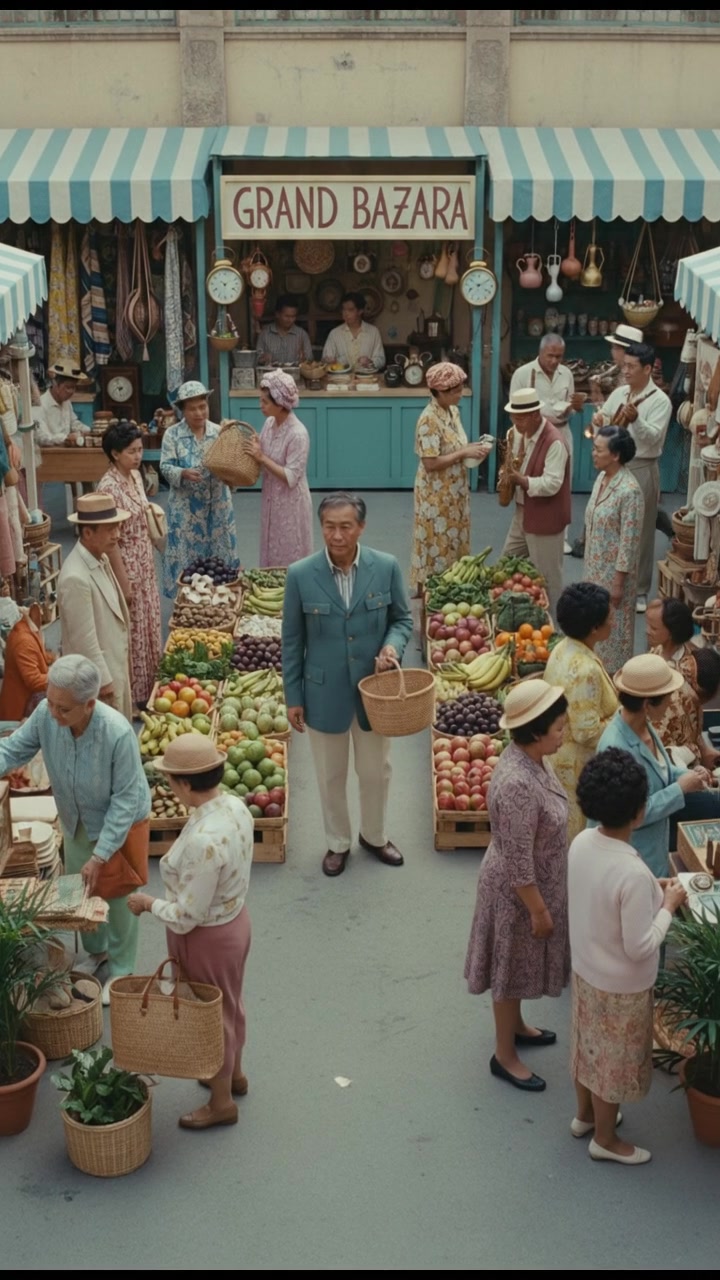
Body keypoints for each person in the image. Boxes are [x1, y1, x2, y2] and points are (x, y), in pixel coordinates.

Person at [0, 655, 150, 1002]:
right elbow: (14, 749)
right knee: (82, 889)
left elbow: (125, 801)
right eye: (50, 702)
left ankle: (122, 967)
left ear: (90, 704)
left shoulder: (117, 733)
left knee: (119, 894)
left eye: (63, 709)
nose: (53, 713)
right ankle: (96, 951)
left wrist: (101, 855)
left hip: (121, 822)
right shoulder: (46, 714)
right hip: (75, 816)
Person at [282, 492, 412, 877]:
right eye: (329, 526)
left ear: (361, 527)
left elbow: (402, 620)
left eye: (345, 526)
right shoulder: (300, 575)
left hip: (375, 694)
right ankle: (337, 842)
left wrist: (392, 647)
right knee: (330, 775)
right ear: (321, 526)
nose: (336, 535)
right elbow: (292, 641)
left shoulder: (385, 567)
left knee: (376, 772)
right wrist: (293, 695)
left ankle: (374, 835)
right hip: (322, 692)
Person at [128, 734, 253, 1131]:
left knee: (208, 1019)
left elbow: (186, 916)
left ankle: (221, 1103)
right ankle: (234, 1074)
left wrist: (148, 904)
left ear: (183, 784)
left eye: (170, 779)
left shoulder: (203, 841)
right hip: (236, 922)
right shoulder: (235, 806)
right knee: (230, 1003)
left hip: (207, 938)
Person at [569, 748, 686, 1165]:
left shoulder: (583, 842)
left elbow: (604, 889)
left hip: (585, 969)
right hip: (621, 986)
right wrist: (668, 907)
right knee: (612, 1067)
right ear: (639, 813)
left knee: (588, 1048)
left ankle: (584, 1116)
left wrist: (654, 888)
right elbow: (639, 946)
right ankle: (606, 1140)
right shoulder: (632, 872)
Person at [464, 679, 570, 1094]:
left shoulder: (531, 759)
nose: (564, 734)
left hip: (531, 888)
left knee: (519, 964)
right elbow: (518, 860)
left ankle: (519, 1026)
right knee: (508, 970)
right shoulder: (517, 785)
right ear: (535, 732)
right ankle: (504, 1055)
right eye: (559, 728)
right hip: (517, 896)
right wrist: (539, 910)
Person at [596, 654, 705, 877]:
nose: (671, 702)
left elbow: (662, 768)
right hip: (632, 863)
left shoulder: (644, 726)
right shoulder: (615, 748)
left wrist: (689, 775)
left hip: (653, 855)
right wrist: (680, 788)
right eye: (666, 697)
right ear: (647, 704)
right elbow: (630, 816)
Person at [592, 341, 672, 613]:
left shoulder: (661, 401)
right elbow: (605, 419)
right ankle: (606, 577)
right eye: (623, 365)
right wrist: (598, 421)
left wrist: (636, 419)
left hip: (641, 466)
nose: (625, 371)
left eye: (631, 366)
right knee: (608, 523)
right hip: (613, 465)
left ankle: (639, 589)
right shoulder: (620, 392)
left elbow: (654, 438)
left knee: (641, 529)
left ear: (647, 368)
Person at [545, 583, 619, 843]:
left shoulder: (562, 647)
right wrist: (622, 715)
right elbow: (587, 732)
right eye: (609, 618)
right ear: (594, 628)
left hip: (557, 758)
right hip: (576, 768)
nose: (614, 621)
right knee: (574, 838)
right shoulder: (586, 671)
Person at [409, 362, 492, 593]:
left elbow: (455, 447)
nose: (460, 395)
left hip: (455, 489)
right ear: (439, 392)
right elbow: (430, 462)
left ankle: (452, 582)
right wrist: (464, 452)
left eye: (461, 388)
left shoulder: (452, 411)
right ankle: (433, 589)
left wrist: (473, 449)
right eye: (454, 391)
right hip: (435, 493)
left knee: (454, 537)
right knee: (436, 539)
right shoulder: (428, 420)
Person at [97, 420, 162, 713]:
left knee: (148, 625)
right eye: (131, 451)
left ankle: (149, 688)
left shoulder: (134, 476)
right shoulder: (108, 488)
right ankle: (132, 698)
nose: (137, 457)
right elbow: (109, 543)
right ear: (114, 454)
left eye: (139, 450)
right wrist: (124, 584)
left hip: (144, 560)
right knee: (132, 632)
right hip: (126, 564)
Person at [57, 492, 132, 723]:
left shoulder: (100, 557)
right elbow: (84, 640)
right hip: (99, 682)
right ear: (88, 533)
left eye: (117, 527)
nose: (117, 535)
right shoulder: (75, 577)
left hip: (114, 667)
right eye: (110, 530)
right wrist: (104, 683)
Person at [160, 380, 238, 599]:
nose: (198, 413)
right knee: (186, 555)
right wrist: (183, 473)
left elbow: (231, 464)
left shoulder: (219, 432)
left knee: (219, 554)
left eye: (202, 407)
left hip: (218, 505)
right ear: (182, 410)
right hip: (186, 508)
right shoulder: (172, 435)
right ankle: (184, 601)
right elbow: (165, 466)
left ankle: (219, 598)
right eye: (192, 408)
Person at [509, 334, 585, 554]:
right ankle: (525, 529)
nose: (554, 361)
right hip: (530, 435)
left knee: (561, 484)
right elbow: (515, 410)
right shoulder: (523, 374)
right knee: (528, 481)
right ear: (540, 352)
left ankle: (560, 536)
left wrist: (574, 407)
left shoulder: (566, 374)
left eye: (559, 356)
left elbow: (569, 405)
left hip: (561, 431)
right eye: (550, 356)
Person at [499, 387, 571, 617]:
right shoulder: (518, 432)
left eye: (519, 418)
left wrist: (521, 480)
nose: (515, 423)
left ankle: (555, 627)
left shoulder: (555, 442)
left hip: (546, 518)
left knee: (548, 577)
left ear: (534, 415)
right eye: (512, 417)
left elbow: (552, 484)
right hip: (522, 513)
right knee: (505, 566)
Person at [584, 426, 644, 673]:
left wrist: (618, 584)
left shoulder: (630, 491)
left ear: (616, 455)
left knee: (613, 632)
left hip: (613, 577)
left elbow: (629, 543)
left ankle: (615, 681)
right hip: (593, 569)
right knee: (593, 628)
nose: (593, 454)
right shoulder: (601, 478)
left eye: (598, 449)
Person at [241, 369, 313, 568]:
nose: (260, 406)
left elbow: (291, 477)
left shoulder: (298, 434)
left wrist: (261, 457)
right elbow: (262, 447)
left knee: (291, 551)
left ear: (280, 403)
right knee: (271, 548)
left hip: (291, 503)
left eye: (265, 402)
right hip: (272, 499)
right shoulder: (270, 423)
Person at [0, 600, 54, 720]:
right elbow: (33, 680)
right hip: (20, 710)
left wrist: (54, 658)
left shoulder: (26, 630)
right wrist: (58, 677)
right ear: (34, 611)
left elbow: (37, 655)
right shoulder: (24, 640)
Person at [321, 292, 385, 372]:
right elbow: (325, 360)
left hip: (366, 380)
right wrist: (329, 361)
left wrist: (370, 362)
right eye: (344, 309)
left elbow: (381, 359)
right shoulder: (334, 334)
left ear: (360, 311)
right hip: (341, 381)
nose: (346, 314)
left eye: (350, 310)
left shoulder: (373, 332)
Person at [35, 361, 90, 446]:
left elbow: (73, 423)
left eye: (74, 387)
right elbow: (42, 437)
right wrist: (66, 438)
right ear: (55, 384)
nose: (72, 392)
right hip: (48, 454)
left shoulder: (66, 403)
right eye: (68, 387)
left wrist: (88, 431)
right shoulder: (41, 405)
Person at [256, 294, 313, 367]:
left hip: (295, 376)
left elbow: (310, 360)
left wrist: (304, 359)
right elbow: (257, 359)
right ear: (277, 314)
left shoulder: (302, 334)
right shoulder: (265, 334)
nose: (290, 320)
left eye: (293, 316)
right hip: (272, 376)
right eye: (287, 316)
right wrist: (263, 359)